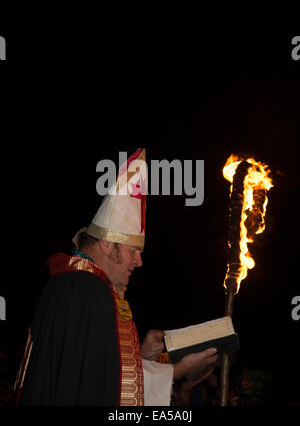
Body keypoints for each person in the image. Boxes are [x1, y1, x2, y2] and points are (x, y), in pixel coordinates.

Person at [14, 148, 218, 406]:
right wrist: (178, 371)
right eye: (133, 250)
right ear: (107, 245)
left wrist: (141, 355)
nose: (139, 261)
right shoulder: (89, 291)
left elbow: (89, 371)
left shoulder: (69, 282)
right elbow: (97, 387)